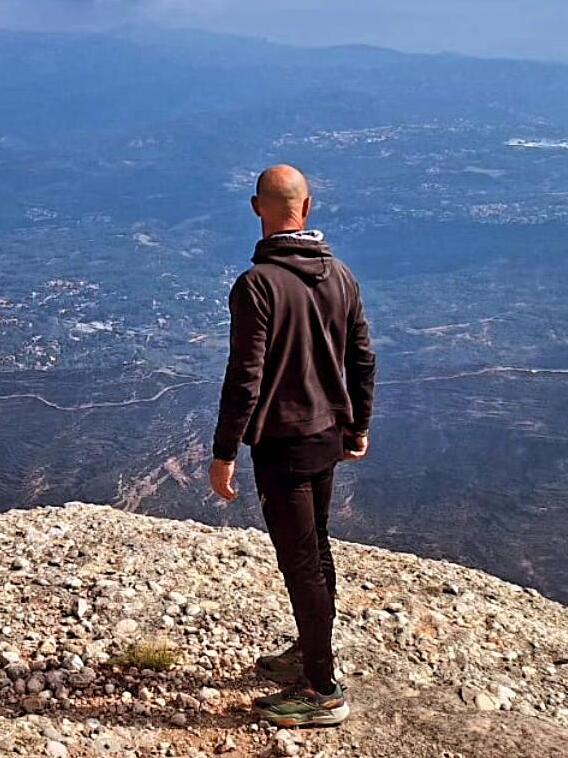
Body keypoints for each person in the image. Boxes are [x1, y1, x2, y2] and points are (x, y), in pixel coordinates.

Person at [209, 164, 376, 728]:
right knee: (316, 547)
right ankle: (311, 652)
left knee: (301, 559)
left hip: (283, 443)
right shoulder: (341, 276)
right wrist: (358, 426)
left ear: (257, 208)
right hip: (327, 435)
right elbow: (362, 359)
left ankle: (321, 690)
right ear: (307, 208)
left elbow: (245, 377)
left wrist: (224, 451)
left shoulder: (257, 285)